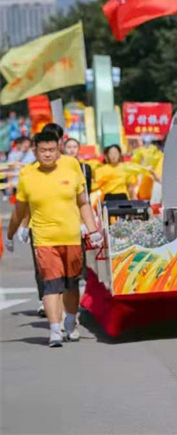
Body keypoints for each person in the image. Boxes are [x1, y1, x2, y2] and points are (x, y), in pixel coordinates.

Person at [5, 131, 103, 347]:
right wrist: (11, 234)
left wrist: (93, 230)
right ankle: (55, 330)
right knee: (51, 284)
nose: (48, 154)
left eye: (51, 150)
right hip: (44, 239)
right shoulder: (28, 175)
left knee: (71, 284)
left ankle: (70, 320)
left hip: (71, 237)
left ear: (58, 149)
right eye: (43, 151)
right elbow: (20, 210)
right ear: (35, 151)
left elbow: (83, 202)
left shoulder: (71, 167)